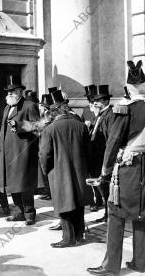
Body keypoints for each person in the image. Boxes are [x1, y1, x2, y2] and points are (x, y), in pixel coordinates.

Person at [87, 60, 145, 275]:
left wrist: (105, 170)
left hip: (125, 171)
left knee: (116, 215)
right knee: (141, 215)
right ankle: (139, 263)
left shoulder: (123, 109)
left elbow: (112, 142)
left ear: (129, 88)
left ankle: (111, 266)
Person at [39, 90, 90, 248]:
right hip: (79, 170)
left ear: (54, 111)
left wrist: (46, 170)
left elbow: (44, 154)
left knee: (64, 203)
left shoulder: (50, 129)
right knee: (78, 201)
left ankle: (68, 238)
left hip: (59, 172)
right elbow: (89, 150)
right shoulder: (81, 126)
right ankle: (80, 235)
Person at [0, 76, 40, 225]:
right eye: (7, 92)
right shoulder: (7, 107)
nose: (8, 94)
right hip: (9, 153)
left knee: (24, 184)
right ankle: (20, 212)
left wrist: (20, 126)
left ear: (20, 92)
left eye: (12, 91)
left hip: (23, 152)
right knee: (13, 184)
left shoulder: (29, 105)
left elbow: (38, 126)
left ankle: (29, 214)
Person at [88, 85, 115, 222]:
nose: (94, 103)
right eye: (94, 101)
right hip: (97, 157)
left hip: (103, 157)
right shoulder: (100, 115)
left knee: (106, 188)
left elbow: (110, 139)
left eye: (97, 101)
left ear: (105, 101)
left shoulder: (110, 115)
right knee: (103, 188)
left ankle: (110, 215)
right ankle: (107, 214)